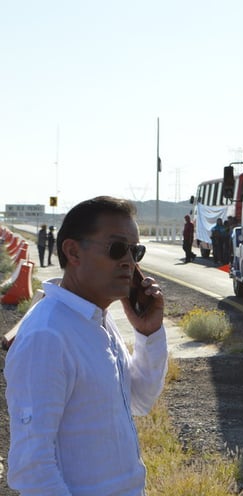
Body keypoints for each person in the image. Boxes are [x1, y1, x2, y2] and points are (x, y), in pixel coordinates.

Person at [4, 196, 168, 495]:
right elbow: (32, 469)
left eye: (136, 252)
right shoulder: (48, 335)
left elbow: (141, 400)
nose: (129, 262)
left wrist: (149, 333)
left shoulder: (98, 320)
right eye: (117, 249)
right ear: (73, 251)